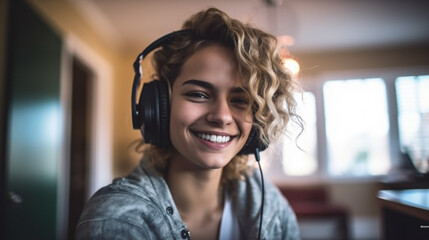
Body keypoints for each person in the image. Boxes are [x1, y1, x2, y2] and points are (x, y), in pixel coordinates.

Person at [76, 7, 301, 240]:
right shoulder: (117, 218)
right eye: (199, 94)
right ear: (159, 106)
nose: (222, 116)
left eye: (240, 100)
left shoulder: (270, 205)